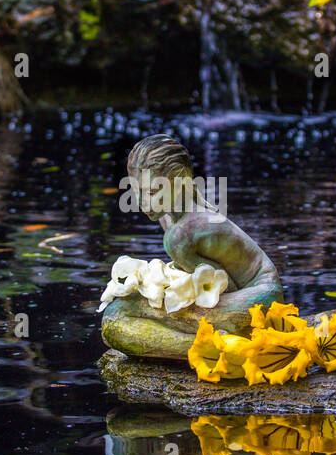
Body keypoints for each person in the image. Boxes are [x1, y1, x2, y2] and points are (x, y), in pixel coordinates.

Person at [101, 134, 284, 360]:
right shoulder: (168, 214)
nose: (142, 203)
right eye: (136, 192)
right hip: (250, 295)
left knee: (117, 315)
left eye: (150, 192)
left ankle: (214, 350)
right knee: (120, 312)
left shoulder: (181, 234)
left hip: (260, 300)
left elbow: (223, 288)